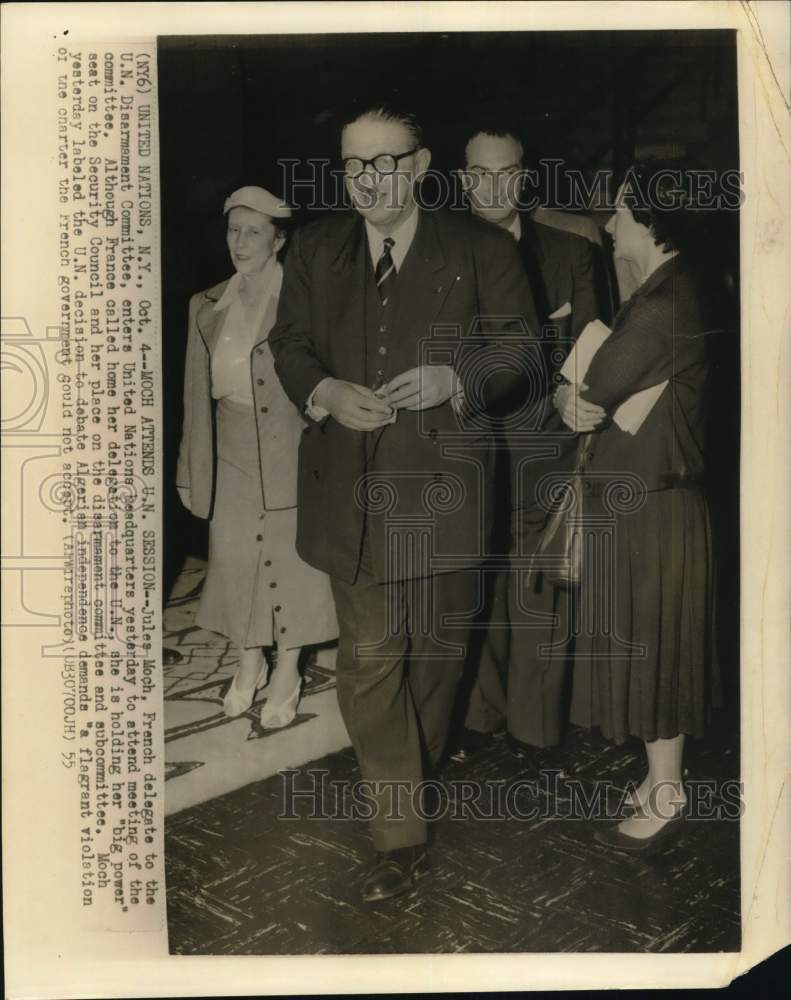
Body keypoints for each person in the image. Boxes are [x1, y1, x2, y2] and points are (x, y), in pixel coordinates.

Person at [269, 104, 539, 901]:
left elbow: (518, 356)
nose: (366, 180)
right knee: (370, 662)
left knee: (438, 660)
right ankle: (399, 831)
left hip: (444, 497)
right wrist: (320, 388)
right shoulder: (317, 249)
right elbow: (290, 344)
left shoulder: (481, 249)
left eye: (383, 163)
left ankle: (410, 777)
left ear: (420, 167)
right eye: (353, 164)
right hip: (347, 501)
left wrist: (457, 379)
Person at [553, 161, 722, 852]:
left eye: (621, 212)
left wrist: (571, 388)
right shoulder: (671, 289)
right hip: (650, 502)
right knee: (654, 647)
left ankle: (668, 792)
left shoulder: (660, 307)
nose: (608, 223)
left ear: (652, 221)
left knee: (657, 652)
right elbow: (589, 397)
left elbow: (590, 387)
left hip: (653, 510)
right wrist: (576, 396)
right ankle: (660, 780)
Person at [456, 127, 606, 763]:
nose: (493, 186)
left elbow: (596, 341)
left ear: (523, 177)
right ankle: (479, 715)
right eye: (480, 174)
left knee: (539, 589)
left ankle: (535, 731)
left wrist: (578, 396)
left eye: (506, 173)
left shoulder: (570, 252)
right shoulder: (436, 251)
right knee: (475, 582)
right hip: (464, 449)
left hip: (545, 446)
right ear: (464, 180)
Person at [176, 185, 338, 729]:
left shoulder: (303, 297)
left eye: (254, 233)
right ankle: (249, 661)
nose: (239, 242)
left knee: (293, 562)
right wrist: (190, 468)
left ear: (279, 239)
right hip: (231, 449)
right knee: (236, 557)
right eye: (233, 230)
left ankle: (288, 668)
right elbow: (195, 399)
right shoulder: (205, 304)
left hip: (291, 444)